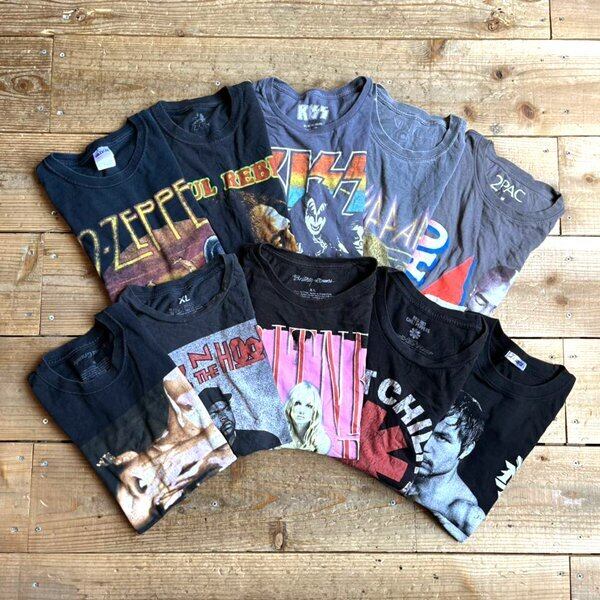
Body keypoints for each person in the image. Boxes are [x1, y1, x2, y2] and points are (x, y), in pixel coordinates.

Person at [407, 391, 486, 541]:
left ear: (466, 449)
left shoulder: (466, 515)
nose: (425, 445)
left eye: (442, 438)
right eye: (426, 430)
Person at [199, 386, 280, 455]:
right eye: (214, 414)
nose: (223, 417)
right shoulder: (204, 454)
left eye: (226, 409)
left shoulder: (264, 440)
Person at [281, 381, 331, 454]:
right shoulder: (278, 435)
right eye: (298, 403)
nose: (302, 411)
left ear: (315, 412)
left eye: (309, 406)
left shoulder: (322, 441)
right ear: (290, 406)